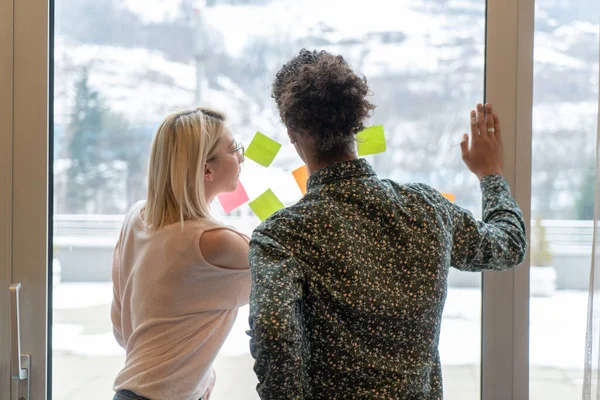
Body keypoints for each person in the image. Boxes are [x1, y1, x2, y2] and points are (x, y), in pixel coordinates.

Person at [247, 49, 528, 399]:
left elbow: (273, 329)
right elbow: (509, 245)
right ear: (356, 123)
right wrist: (490, 175)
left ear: (292, 133)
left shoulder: (282, 235)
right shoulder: (427, 208)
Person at [110, 107, 251, 400]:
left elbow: (122, 326)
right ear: (206, 170)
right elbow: (289, 268)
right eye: (234, 148)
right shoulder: (215, 241)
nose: (242, 157)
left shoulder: (137, 217)